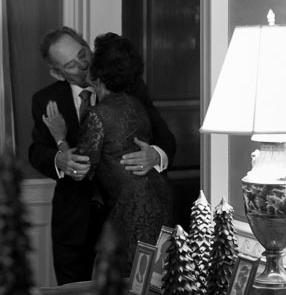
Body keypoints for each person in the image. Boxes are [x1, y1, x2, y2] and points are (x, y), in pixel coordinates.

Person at [27, 27, 176, 285]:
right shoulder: (45, 100)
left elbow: (167, 139)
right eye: (71, 64)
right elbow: (35, 151)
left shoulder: (131, 87)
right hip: (74, 225)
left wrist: (155, 155)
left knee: (136, 287)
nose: (83, 65)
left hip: (128, 219)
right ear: (56, 72)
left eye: (83, 54)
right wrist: (58, 159)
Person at [66, 32, 174, 271]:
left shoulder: (98, 114)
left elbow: (81, 169)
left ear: (99, 72)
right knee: (152, 280)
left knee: (120, 281)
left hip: (131, 208)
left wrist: (59, 139)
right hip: (159, 198)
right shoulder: (135, 104)